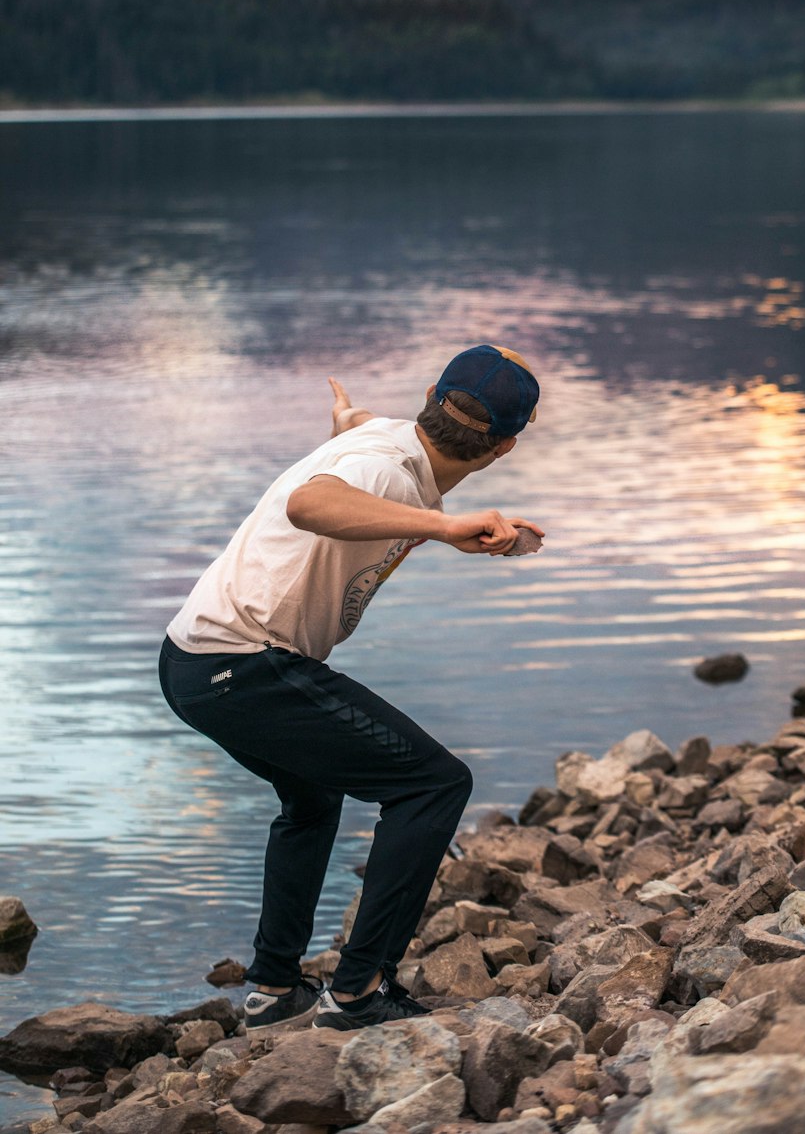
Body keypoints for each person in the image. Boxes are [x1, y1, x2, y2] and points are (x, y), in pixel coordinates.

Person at [159, 344, 542, 1036]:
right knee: (433, 784)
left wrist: (346, 420)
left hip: (193, 661)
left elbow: (360, 440)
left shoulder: (384, 439)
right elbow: (313, 503)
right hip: (242, 665)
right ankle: (358, 994)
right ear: (507, 446)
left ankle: (274, 988)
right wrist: (447, 525)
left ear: (430, 395)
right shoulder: (381, 468)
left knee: (312, 797)